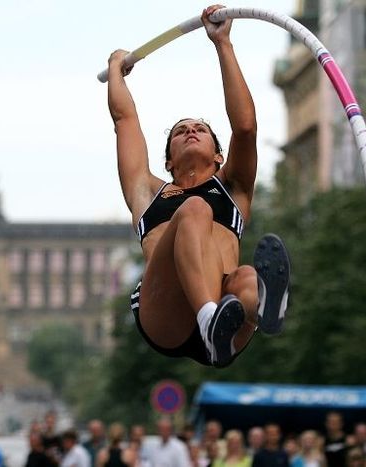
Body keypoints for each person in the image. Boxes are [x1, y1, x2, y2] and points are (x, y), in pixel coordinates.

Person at [106, 4, 291, 368]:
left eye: (200, 129)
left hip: (229, 312)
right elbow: (124, 120)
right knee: (194, 209)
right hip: (166, 314)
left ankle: (263, 308)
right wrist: (116, 71)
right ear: (168, 162)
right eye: (180, 131)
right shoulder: (147, 193)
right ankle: (208, 319)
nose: (191, 130)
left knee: (247, 277)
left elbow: (246, 128)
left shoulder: (233, 189)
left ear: (219, 157)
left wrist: (222, 44)